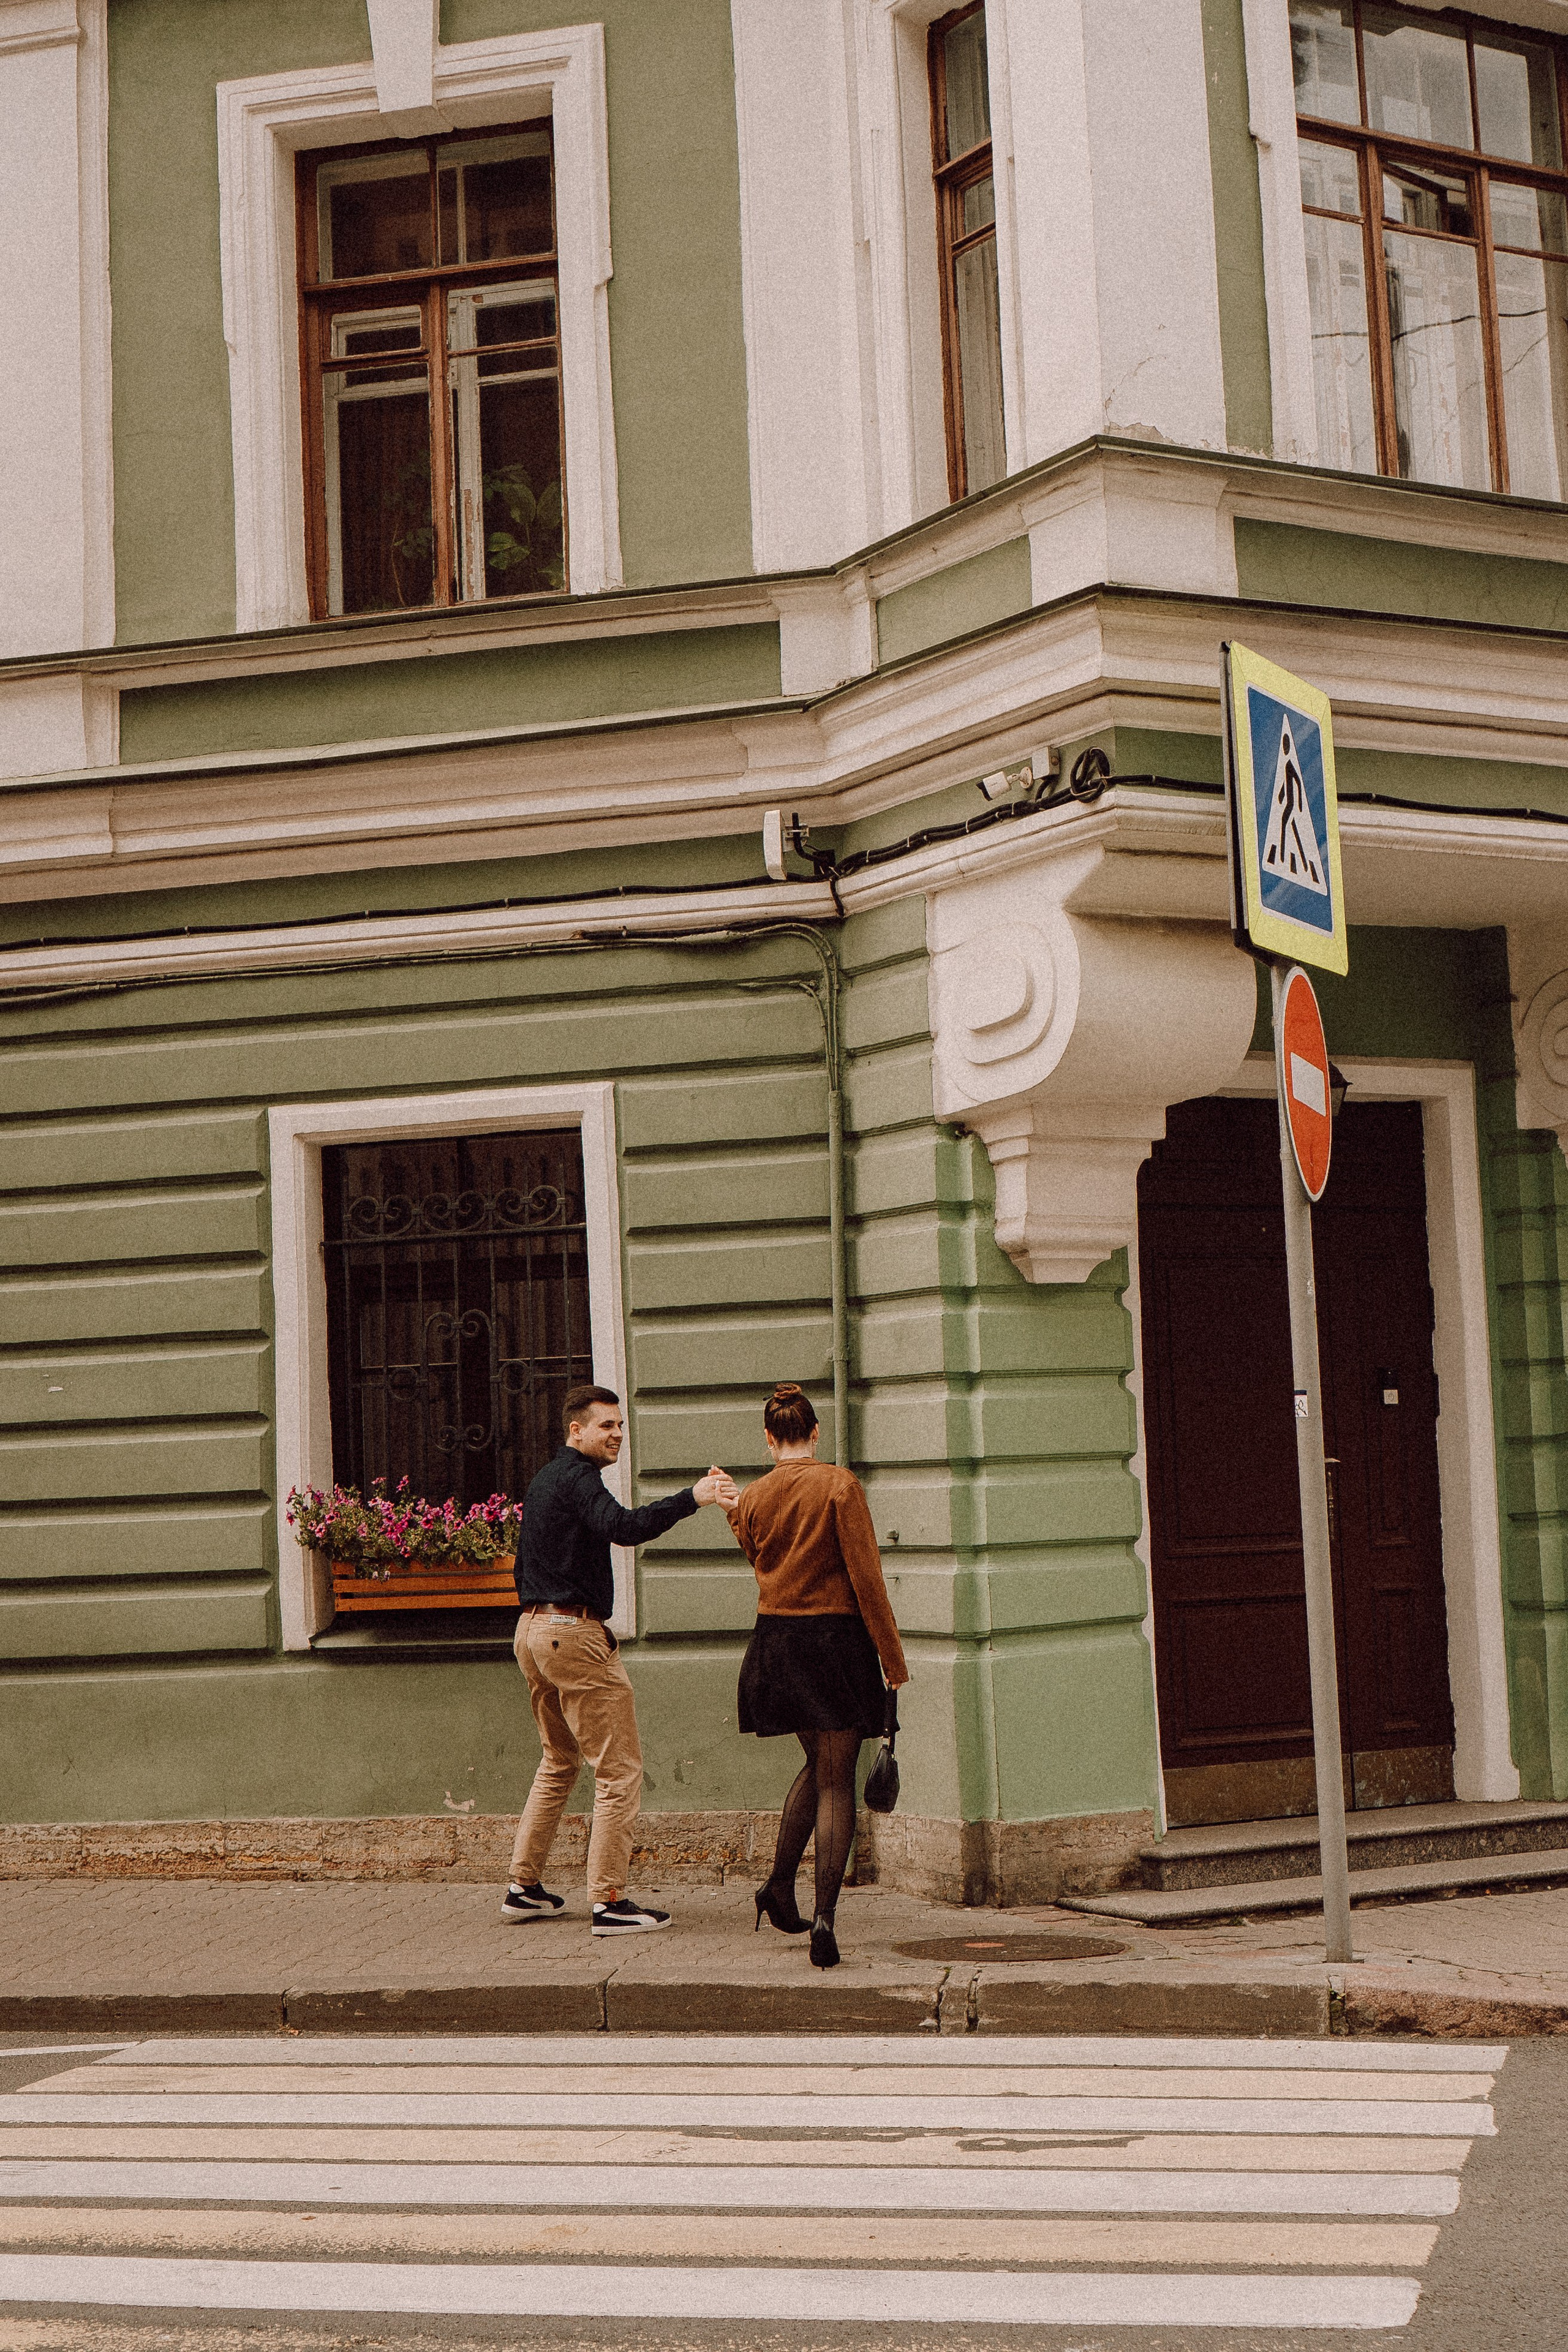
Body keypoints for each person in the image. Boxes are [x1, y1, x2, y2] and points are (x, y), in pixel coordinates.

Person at [503, 1383, 736, 1935]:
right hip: (571, 1634)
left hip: (531, 1631)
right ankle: (609, 1901)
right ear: (575, 1430)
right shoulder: (580, 1479)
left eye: (620, 1425)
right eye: (606, 1425)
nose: (617, 1435)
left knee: (559, 1763)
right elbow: (624, 1528)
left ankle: (523, 1888)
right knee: (619, 1772)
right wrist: (694, 1497)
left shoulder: (544, 1480)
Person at [725, 1382, 908, 1969]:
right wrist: (893, 1661)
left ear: (768, 1438)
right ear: (815, 1432)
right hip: (835, 1644)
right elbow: (867, 1577)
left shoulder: (754, 1496)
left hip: (777, 1643)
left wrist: (734, 1511)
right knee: (836, 1780)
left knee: (817, 1765)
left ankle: (779, 1889)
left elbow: (758, 1558)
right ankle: (824, 1918)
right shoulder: (838, 1485)